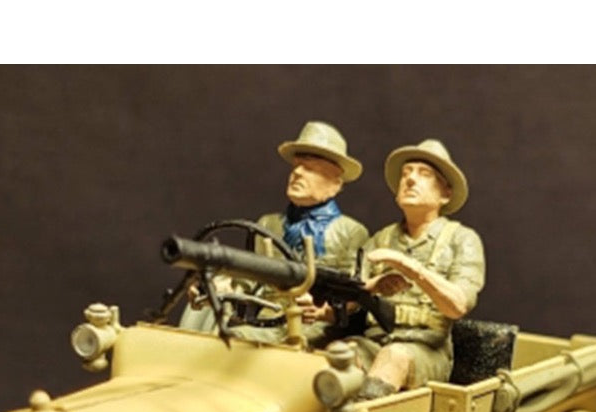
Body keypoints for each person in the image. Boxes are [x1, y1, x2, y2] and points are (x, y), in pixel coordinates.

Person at [182, 121, 368, 342]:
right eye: (296, 166)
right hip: (268, 318)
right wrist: (218, 286)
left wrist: (324, 310)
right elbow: (250, 279)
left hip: (315, 324)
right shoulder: (269, 224)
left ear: (334, 184)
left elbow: (355, 294)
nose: (297, 173)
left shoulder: (351, 231)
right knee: (227, 337)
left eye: (310, 168)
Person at [356, 139, 485, 395]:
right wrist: (370, 287)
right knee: (337, 356)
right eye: (406, 173)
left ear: (445, 194)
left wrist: (410, 267)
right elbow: (351, 296)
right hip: (374, 343)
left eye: (424, 174)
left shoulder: (462, 240)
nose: (411, 180)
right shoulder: (380, 240)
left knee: (394, 357)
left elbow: (458, 305)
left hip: (427, 352)